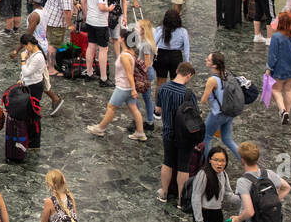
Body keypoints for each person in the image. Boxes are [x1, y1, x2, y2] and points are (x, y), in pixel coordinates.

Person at [86, 35, 147, 141]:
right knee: (134, 109)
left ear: (123, 39)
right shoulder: (131, 53)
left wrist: (133, 89)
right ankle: (140, 132)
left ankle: (100, 128)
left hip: (123, 87)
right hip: (127, 87)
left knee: (111, 107)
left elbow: (129, 74)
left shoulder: (124, 56)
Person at [156, 62, 200, 201]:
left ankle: (164, 192)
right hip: (185, 136)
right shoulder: (188, 93)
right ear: (189, 75)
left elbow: (158, 109)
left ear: (176, 70)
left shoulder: (163, 88)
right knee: (183, 167)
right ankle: (181, 199)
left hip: (168, 132)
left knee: (167, 162)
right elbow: (196, 114)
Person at [199, 52, 242, 166]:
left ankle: (208, 164)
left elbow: (203, 100)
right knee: (227, 139)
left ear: (214, 65)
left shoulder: (212, 80)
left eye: (208, 60)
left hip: (217, 114)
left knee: (206, 138)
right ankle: (244, 161)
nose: (205, 60)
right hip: (229, 112)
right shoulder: (228, 74)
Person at [267, 12, 291, 124]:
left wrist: (269, 68)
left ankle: (283, 111)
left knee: (276, 90)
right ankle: (288, 112)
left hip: (280, 68)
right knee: (289, 89)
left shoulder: (276, 37)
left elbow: (272, 55)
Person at [82, 0, 113, 85]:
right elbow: (101, 7)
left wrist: (86, 14)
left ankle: (89, 73)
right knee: (103, 50)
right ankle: (103, 78)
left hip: (90, 21)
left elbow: (83, 1)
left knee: (91, 46)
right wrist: (109, 8)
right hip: (100, 23)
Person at [152, 8, 190, 83]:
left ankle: (159, 95)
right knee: (176, 82)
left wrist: (151, 58)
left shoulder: (160, 29)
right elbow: (186, 48)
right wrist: (187, 62)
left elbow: (153, 44)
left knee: (160, 83)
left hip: (161, 56)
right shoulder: (183, 31)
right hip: (176, 56)